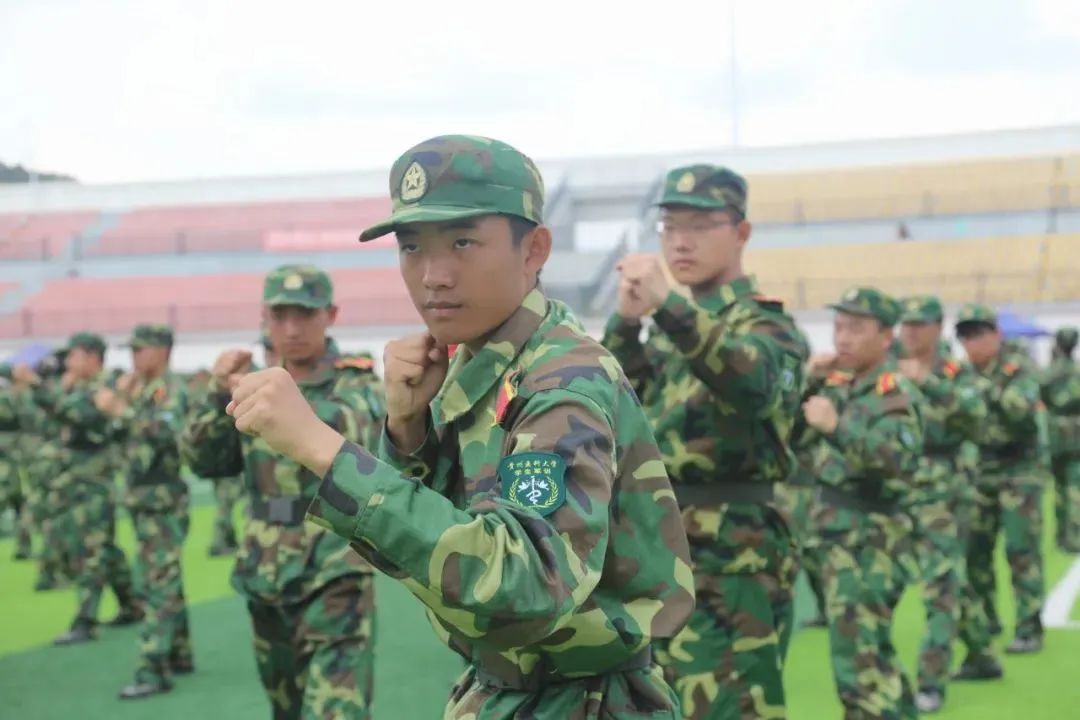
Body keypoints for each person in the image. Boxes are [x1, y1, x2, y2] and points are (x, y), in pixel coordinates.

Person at [223, 135, 695, 719]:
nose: (433, 276)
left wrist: (323, 449)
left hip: (578, 699)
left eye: (463, 242)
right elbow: (453, 529)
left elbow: (529, 579)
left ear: (534, 250)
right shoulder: (485, 364)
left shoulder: (560, 381)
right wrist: (409, 432)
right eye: (412, 247)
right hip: (519, 688)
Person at [602, 163, 807, 719]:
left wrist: (670, 308)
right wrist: (626, 324)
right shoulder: (672, 331)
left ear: (741, 232)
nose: (680, 241)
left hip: (733, 559)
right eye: (669, 227)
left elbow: (753, 383)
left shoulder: (765, 325)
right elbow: (615, 403)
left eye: (698, 225)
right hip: (659, 550)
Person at [182, 264, 383, 720]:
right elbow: (206, 462)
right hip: (265, 565)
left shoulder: (356, 380)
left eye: (304, 315)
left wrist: (273, 394)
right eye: (280, 316)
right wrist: (217, 396)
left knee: (337, 709)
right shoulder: (247, 386)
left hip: (334, 564)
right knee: (285, 706)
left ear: (330, 315)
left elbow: (356, 434)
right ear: (264, 318)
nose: (291, 329)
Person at [799, 287, 922, 720]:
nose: (842, 338)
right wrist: (810, 380)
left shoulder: (893, 392)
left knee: (860, 668)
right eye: (838, 327)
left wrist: (838, 428)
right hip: (839, 537)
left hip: (870, 542)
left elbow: (899, 461)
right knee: (872, 656)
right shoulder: (840, 383)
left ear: (886, 337)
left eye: (855, 328)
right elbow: (790, 434)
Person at [13, 332, 139, 645]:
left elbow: (76, 415)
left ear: (92, 357)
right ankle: (131, 604)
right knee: (103, 547)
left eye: (74, 355)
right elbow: (53, 422)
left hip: (95, 482)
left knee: (90, 549)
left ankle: (85, 620)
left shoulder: (107, 385)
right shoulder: (78, 386)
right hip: (75, 480)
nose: (68, 362)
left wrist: (37, 385)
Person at [896, 295, 987, 713]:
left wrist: (927, 382)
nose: (911, 333)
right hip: (896, 486)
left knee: (939, 584)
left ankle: (930, 680)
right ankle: (982, 651)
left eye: (920, 325)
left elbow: (976, 414)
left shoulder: (952, 371)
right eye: (906, 325)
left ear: (937, 328)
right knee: (945, 580)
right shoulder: (888, 365)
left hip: (943, 492)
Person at [94, 324, 193, 698]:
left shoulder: (172, 389)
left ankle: (153, 667)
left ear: (162, 350)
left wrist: (121, 410)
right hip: (143, 500)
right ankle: (180, 652)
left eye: (141, 349)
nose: (134, 357)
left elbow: (166, 434)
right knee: (164, 577)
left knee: (156, 582)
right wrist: (123, 402)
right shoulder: (141, 389)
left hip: (162, 499)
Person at [953, 304, 1046, 675]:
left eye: (978, 334)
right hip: (980, 469)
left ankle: (1028, 627)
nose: (971, 343)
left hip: (1019, 469)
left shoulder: (1018, 366)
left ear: (996, 335)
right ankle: (986, 619)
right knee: (976, 552)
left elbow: (1018, 408)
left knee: (1021, 551)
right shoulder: (962, 373)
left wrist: (978, 391)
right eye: (965, 336)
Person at [1042, 327, 1080, 553]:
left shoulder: (1050, 372)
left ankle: (1061, 536)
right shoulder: (1076, 370)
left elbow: (1043, 395)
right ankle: (1074, 535)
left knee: (1059, 488)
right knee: (1074, 487)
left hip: (1056, 435)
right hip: (1076, 437)